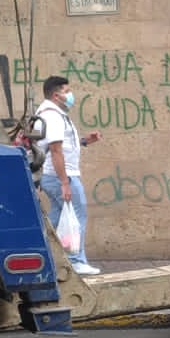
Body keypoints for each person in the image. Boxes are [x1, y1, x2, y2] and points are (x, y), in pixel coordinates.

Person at [35, 75, 102, 274]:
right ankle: (75, 260)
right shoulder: (53, 116)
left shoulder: (53, 113)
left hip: (52, 175)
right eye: (66, 91)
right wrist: (65, 182)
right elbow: (55, 150)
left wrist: (84, 141)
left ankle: (44, 250)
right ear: (56, 95)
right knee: (77, 214)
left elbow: (60, 145)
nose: (70, 95)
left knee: (59, 214)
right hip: (60, 176)